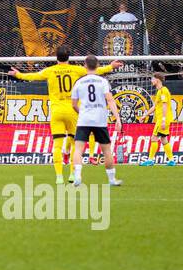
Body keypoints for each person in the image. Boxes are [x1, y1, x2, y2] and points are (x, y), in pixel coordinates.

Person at [12, 49, 121, 184]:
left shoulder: (50, 71)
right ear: (69, 57)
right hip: (72, 111)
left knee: (57, 145)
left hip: (57, 111)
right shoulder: (75, 70)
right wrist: (111, 66)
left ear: (56, 58)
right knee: (75, 143)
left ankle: (58, 176)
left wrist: (19, 74)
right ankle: (72, 174)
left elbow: (33, 76)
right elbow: (96, 71)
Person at [68, 56, 123, 188]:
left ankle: (77, 176)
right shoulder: (102, 81)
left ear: (85, 66)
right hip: (99, 120)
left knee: (78, 149)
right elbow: (110, 100)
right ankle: (111, 179)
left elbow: (74, 104)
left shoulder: (79, 82)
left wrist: (81, 112)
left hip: (84, 119)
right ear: (97, 65)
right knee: (106, 150)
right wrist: (118, 118)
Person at [140, 71, 175, 166]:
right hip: (164, 119)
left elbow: (164, 106)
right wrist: (145, 115)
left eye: (152, 79)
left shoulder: (163, 90)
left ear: (157, 80)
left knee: (154, 138)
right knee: (164, 139)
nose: (151, 80)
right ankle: (171, 160)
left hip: (163, 119)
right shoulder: (160, 91)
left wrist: (163, 120)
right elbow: (155, 107)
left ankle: (150, 160)